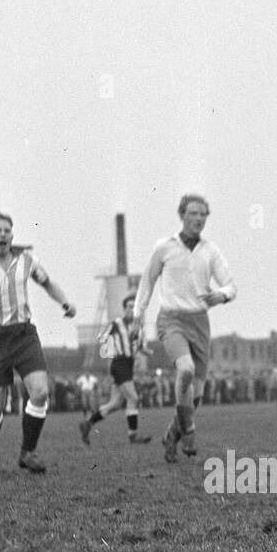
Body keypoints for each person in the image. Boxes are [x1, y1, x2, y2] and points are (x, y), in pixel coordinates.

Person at [0, 212, 76, 476]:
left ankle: (28, 452)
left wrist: (65, 302)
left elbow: (48, 283)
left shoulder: (27, 260)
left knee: (41, 392)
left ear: (13, 234)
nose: (3, 235)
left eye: (7, 230)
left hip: (24, 335)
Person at [132, 194, 236, 463]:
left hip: (200, 323)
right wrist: (137, 315)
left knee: (197, 395)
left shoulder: (210, 251)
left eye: (203, 214)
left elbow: (230, 285)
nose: (199, 218)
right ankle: (188, 430)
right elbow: (147, 281)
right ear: (182, 215)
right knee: (186, 369)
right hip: (171, 320)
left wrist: (221, 295)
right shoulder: (165, 247)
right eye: (193, 213)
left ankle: (171, 436)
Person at [81, 294, 152, 446]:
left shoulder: (138, 326)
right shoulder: (116, 323)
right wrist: (109, 347)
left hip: (129, 365)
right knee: (133, 398)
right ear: (124, 309)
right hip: (119, 364)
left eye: (135, 307)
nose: (132, 310)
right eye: (129, 307)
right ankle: (133, 436)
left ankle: (88, 424)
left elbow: (141, 347)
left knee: (115, 404)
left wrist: (146, 351)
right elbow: (102, 337)